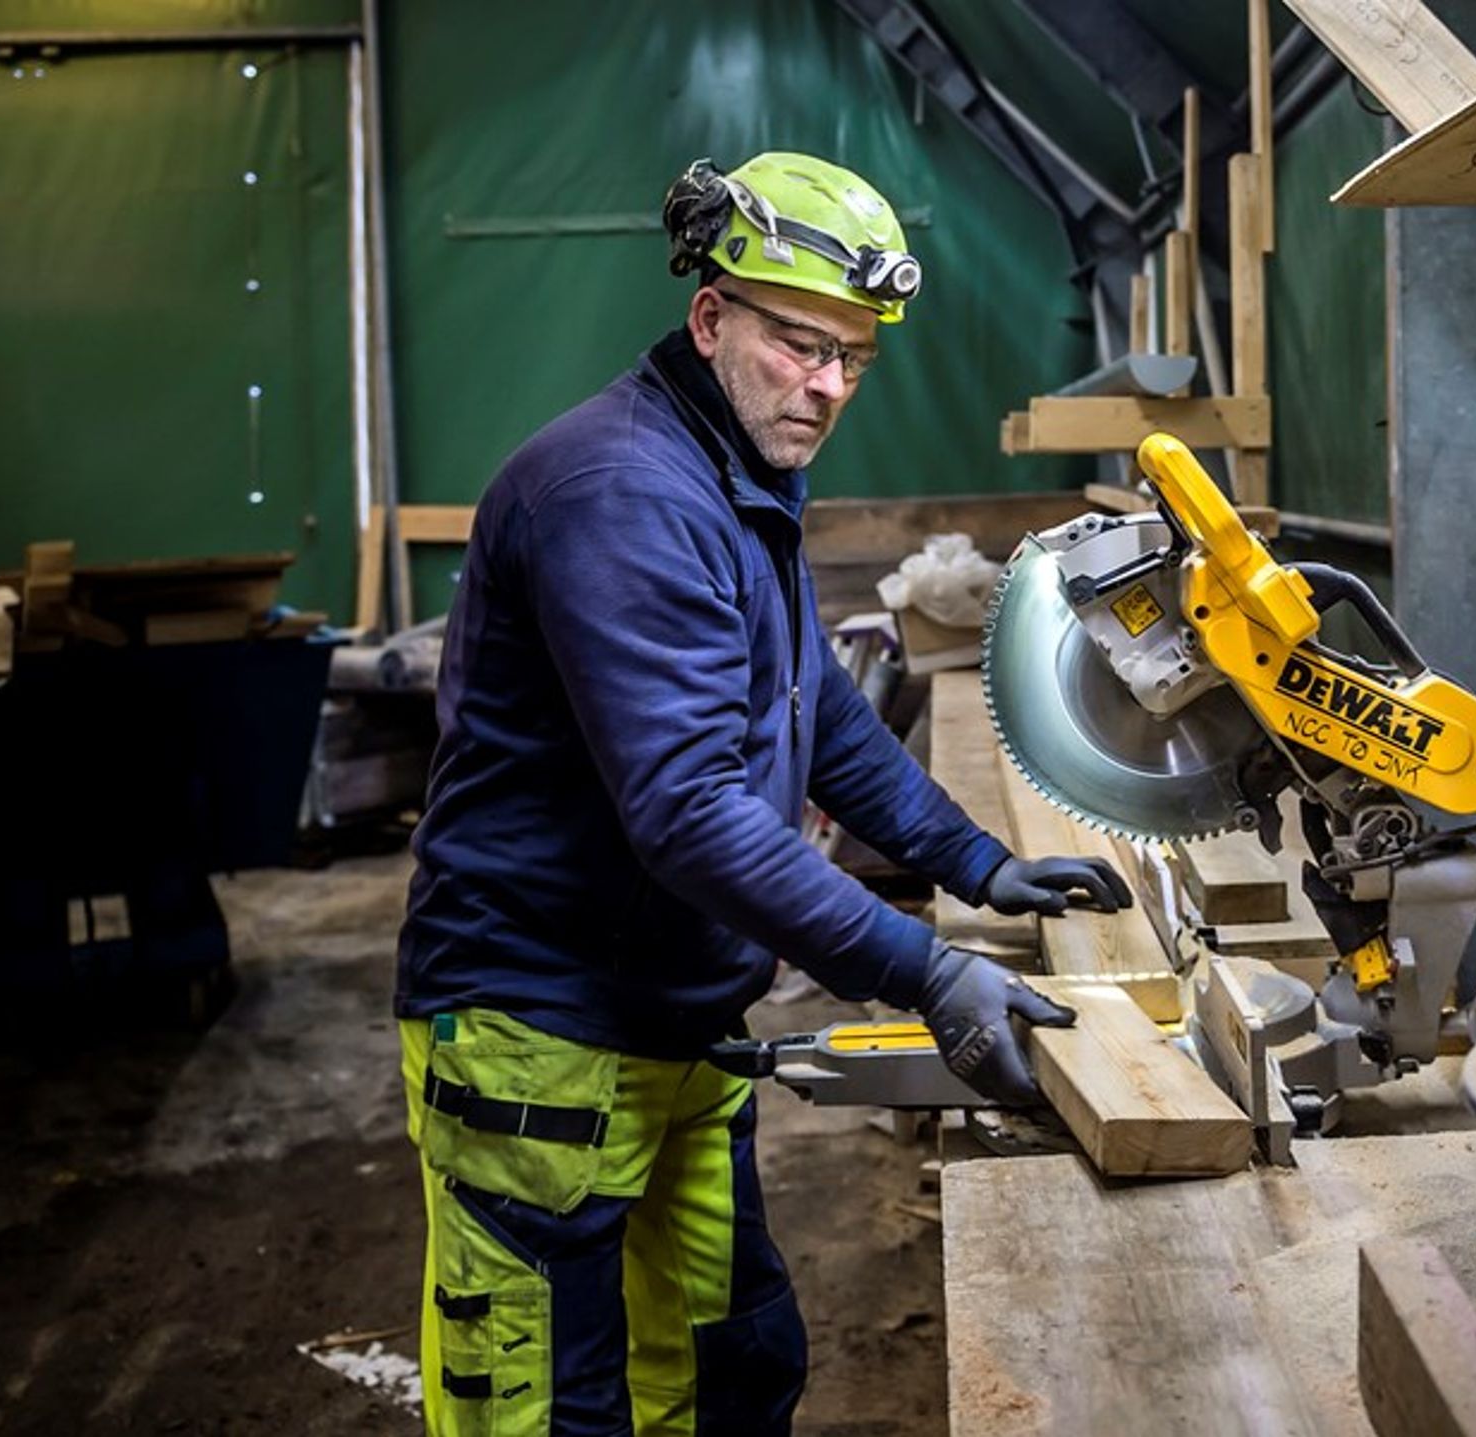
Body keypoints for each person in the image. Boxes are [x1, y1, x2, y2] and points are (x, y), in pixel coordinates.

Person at [393, 151, 1130, 1437]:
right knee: (549, 1405)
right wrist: (921, 968)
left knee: (728, 1363)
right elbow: (686, 807)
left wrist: (972, 864)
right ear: (711, 317)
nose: (829, 385)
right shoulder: (620, 494)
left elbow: (813, 704)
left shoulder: (737, 468)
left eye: (855, 356)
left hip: (680, 1016)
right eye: (800, 344)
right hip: (538, 1024)